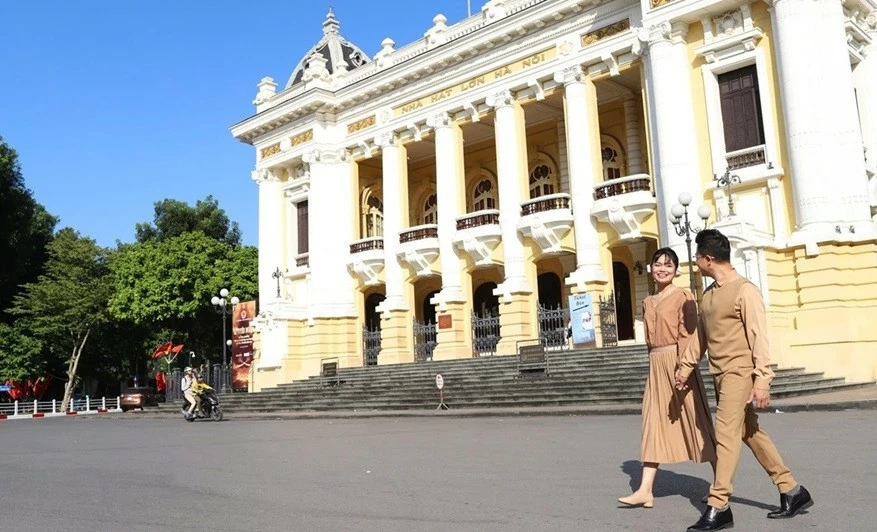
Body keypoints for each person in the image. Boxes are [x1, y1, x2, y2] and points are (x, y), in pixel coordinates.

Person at [676, 229, 813, 531]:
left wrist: (763, 379)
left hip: (740, 373)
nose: (695, 262)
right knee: (750, 432)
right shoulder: (710, 294)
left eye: (697, 257)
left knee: (725, 434)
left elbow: (758, 337)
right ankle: (792, 490)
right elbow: (702, 335)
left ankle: (719, 504)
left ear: (708, 259)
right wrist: (685, 367)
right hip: (719, 375)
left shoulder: (744, 290)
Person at [618, 248, 717, 509]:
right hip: (656, 365)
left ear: (675, 270)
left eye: (668, 265)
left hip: (678, 364)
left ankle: (721, 485)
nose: (662, 268)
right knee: (653, 424)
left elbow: (691, 335)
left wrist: (684, 368)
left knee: (697, 425)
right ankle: (644, 490)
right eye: (658, 264)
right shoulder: (648, 301)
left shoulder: (683, 296)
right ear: (651, 268)